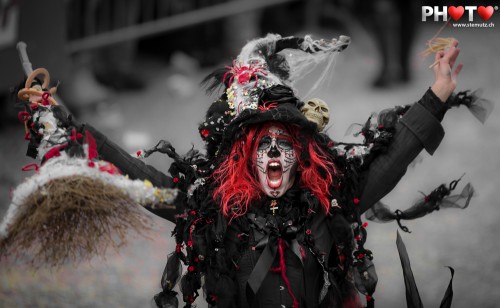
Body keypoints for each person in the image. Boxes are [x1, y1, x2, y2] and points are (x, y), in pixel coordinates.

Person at [5, 33, 470, 307]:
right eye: (262, 145)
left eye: (283, 145)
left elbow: (392, 159)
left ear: (301, 154)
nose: (272, 153)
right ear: (245, 156)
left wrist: (439, 96)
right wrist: (67, 126)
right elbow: (142, 180)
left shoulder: (328, 201)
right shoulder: (213, 210)